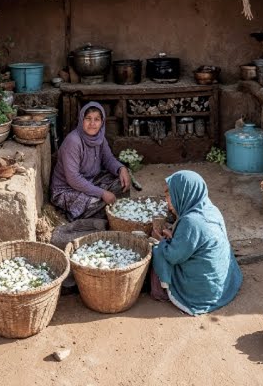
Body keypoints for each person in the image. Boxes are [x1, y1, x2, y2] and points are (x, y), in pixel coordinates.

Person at [149, 170, 242, 315]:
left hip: (202, 292)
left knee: (157, 253)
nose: (167, 201)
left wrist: (162, 243)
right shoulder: (211, 210)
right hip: (221, 283)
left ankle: (163, 292)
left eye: (170, 195)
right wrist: (175, 237)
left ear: (184, 194)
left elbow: (173, 256)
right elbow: (195, 241)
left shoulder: (191, 222)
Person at [49, 102, 131, 220]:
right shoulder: (74, 141)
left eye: (97, 119)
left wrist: (121, 168)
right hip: (66, 190)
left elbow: (108, 159)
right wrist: (102, 193)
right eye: (88, 119)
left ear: (102, 122)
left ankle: (98, 210)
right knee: (99, 204)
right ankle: (76, 215)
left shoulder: (100, 138)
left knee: (122, 182)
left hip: (90, 181)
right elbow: (73, 179)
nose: (92, 123)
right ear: (81, 120)